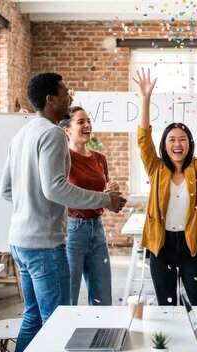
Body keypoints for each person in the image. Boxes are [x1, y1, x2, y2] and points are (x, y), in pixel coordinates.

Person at [0, 72, 127, 352]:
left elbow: (6, 189)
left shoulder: (21, 134)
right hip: (44, 245)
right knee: (57, 322)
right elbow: (56, 189)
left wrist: (30, 204)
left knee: (32, 317)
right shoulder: (53, 133)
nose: (71, 96)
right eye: (66, 91)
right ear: (51, 99)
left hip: (19, 243)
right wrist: (106, 199)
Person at [133, 68, 197, 305]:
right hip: (161, 245)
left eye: (182, 139)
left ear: (189, 144)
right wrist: (145, 99)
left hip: (191, 247)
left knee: (192, 306)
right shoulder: (155, 168)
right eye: (172, 139)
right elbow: (144, 140)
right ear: (164, 146)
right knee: (166, 306)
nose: (177, 144)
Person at [60, 106, 118, 306]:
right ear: (67, 129)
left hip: (97, 230)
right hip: (72, 231)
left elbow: (104, 194)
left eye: (88, 121)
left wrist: (111, 191)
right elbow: (62, 193)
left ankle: (101, 337)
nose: (87, 125)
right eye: (80, 122)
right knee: (68, 298)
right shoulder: (63, 159)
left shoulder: (99, 158)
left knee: (103, 299)